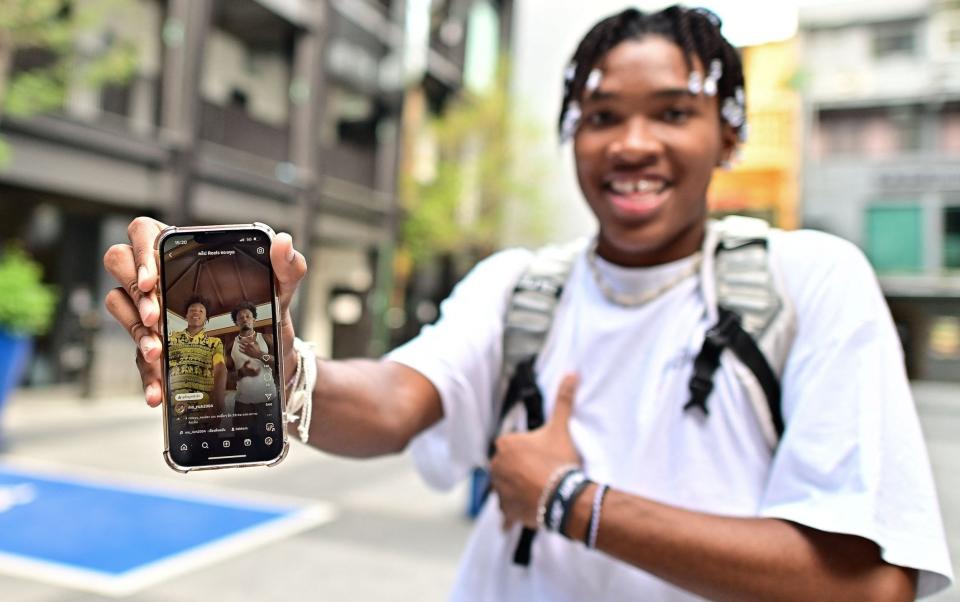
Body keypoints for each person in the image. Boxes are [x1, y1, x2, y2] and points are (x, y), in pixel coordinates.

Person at [103, 5, 953, 600]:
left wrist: (570, 502)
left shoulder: (811, 281)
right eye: (601, 115)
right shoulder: (520, 284)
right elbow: (398, 403)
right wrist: (280, 366)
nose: (631, 143)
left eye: (672, 113)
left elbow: (869, 584)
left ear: (728, 133)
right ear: (570, 134)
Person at [166, 295, 226, 423]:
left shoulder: (214, 343)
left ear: (206, 318)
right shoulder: (170, 339)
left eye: (201, 311)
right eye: (192, 310)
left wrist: (217, 404)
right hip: (173, 407)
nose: (196, 312)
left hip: (204, 408)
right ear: (186, 316)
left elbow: (220, 368)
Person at [228, 300, 277, 435]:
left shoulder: (268, 338)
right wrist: (242, 373)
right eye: (240, 317)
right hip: (243, 402)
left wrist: (259, 354)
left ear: (254, 319)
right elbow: (227, 376)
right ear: (236, 322)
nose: (244, 319)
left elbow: (278, 363)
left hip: (268, 399)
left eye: (248, 316)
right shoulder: (230, 345)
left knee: (270, 438)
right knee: (241, 440)